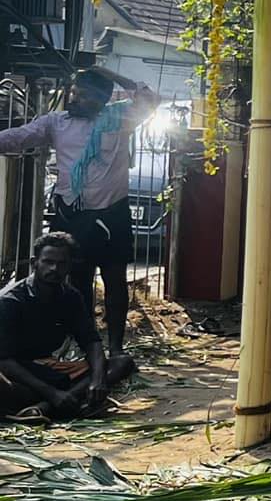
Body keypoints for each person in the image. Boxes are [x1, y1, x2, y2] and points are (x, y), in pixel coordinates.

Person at [0, 68, 155, 352]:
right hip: (72, 215)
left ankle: (117, 348)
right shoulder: (57, 122)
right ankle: (87, 347)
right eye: (74, 91)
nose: (74, 97)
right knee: (78, 283)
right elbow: (19, 137)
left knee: (115, 282)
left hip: (111, 215)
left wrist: (107, 72)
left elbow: (148, 97)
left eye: (83, 95)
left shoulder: (120, 118)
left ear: (100, 99)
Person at [0, 230, 135, 418]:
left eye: (61, 264)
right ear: (34, 264)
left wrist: (97, 380)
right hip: (17, 373)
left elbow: (91, 342)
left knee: (122, 363)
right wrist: (52, 393)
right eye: (48, 262)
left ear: (69, 266)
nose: (54, 269)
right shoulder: (11, 300)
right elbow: (5, 361)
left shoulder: (70, 297)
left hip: (48, 370)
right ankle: (60, 402)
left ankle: (46, 408)